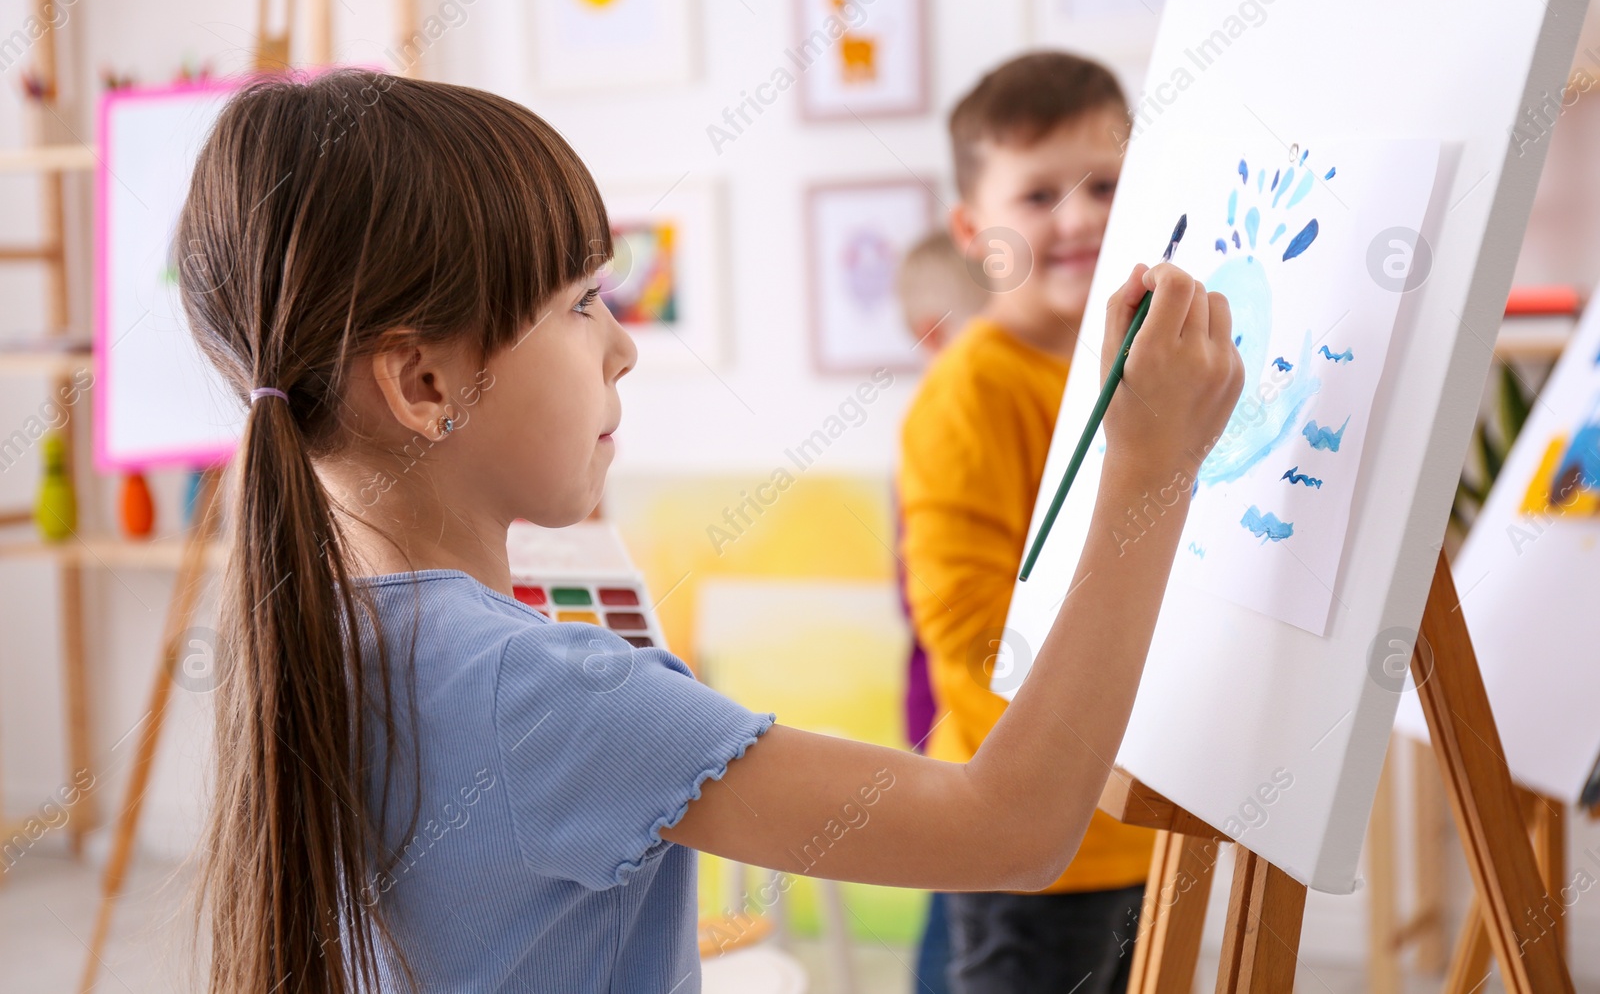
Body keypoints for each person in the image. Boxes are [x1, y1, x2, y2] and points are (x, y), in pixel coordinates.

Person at [179, 68, 1241, 994]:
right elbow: (1011, 826)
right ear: (424, 384)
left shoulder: (313, 628)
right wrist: (1150, 471)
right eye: (583, 301)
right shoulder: (541, 691)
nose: (623, 347)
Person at [897, 51, 1159, 992]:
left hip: (1139, 829)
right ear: (974, 231)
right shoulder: (972, 390)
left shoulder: (1145, 361)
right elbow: (968, 642)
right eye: (1039, 194)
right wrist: (1074, 778)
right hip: (1032, 843)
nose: (1082, 215)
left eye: (1108, 184)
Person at [889, 229, 990, 993]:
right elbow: (919, 597)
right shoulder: (941, 420)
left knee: (960, 888)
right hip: (946, 706)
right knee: (957, 897)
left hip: (963, 703)